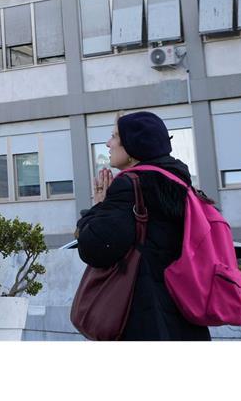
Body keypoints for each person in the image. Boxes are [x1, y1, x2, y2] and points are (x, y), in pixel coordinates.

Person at [75, 111, 211, 340]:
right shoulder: (180, 183)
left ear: (132, 146)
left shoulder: (129, 186)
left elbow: (94, 248)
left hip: (142, 317)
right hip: (185, 317)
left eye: (115, 136)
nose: (108, 143)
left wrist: (98, 207)